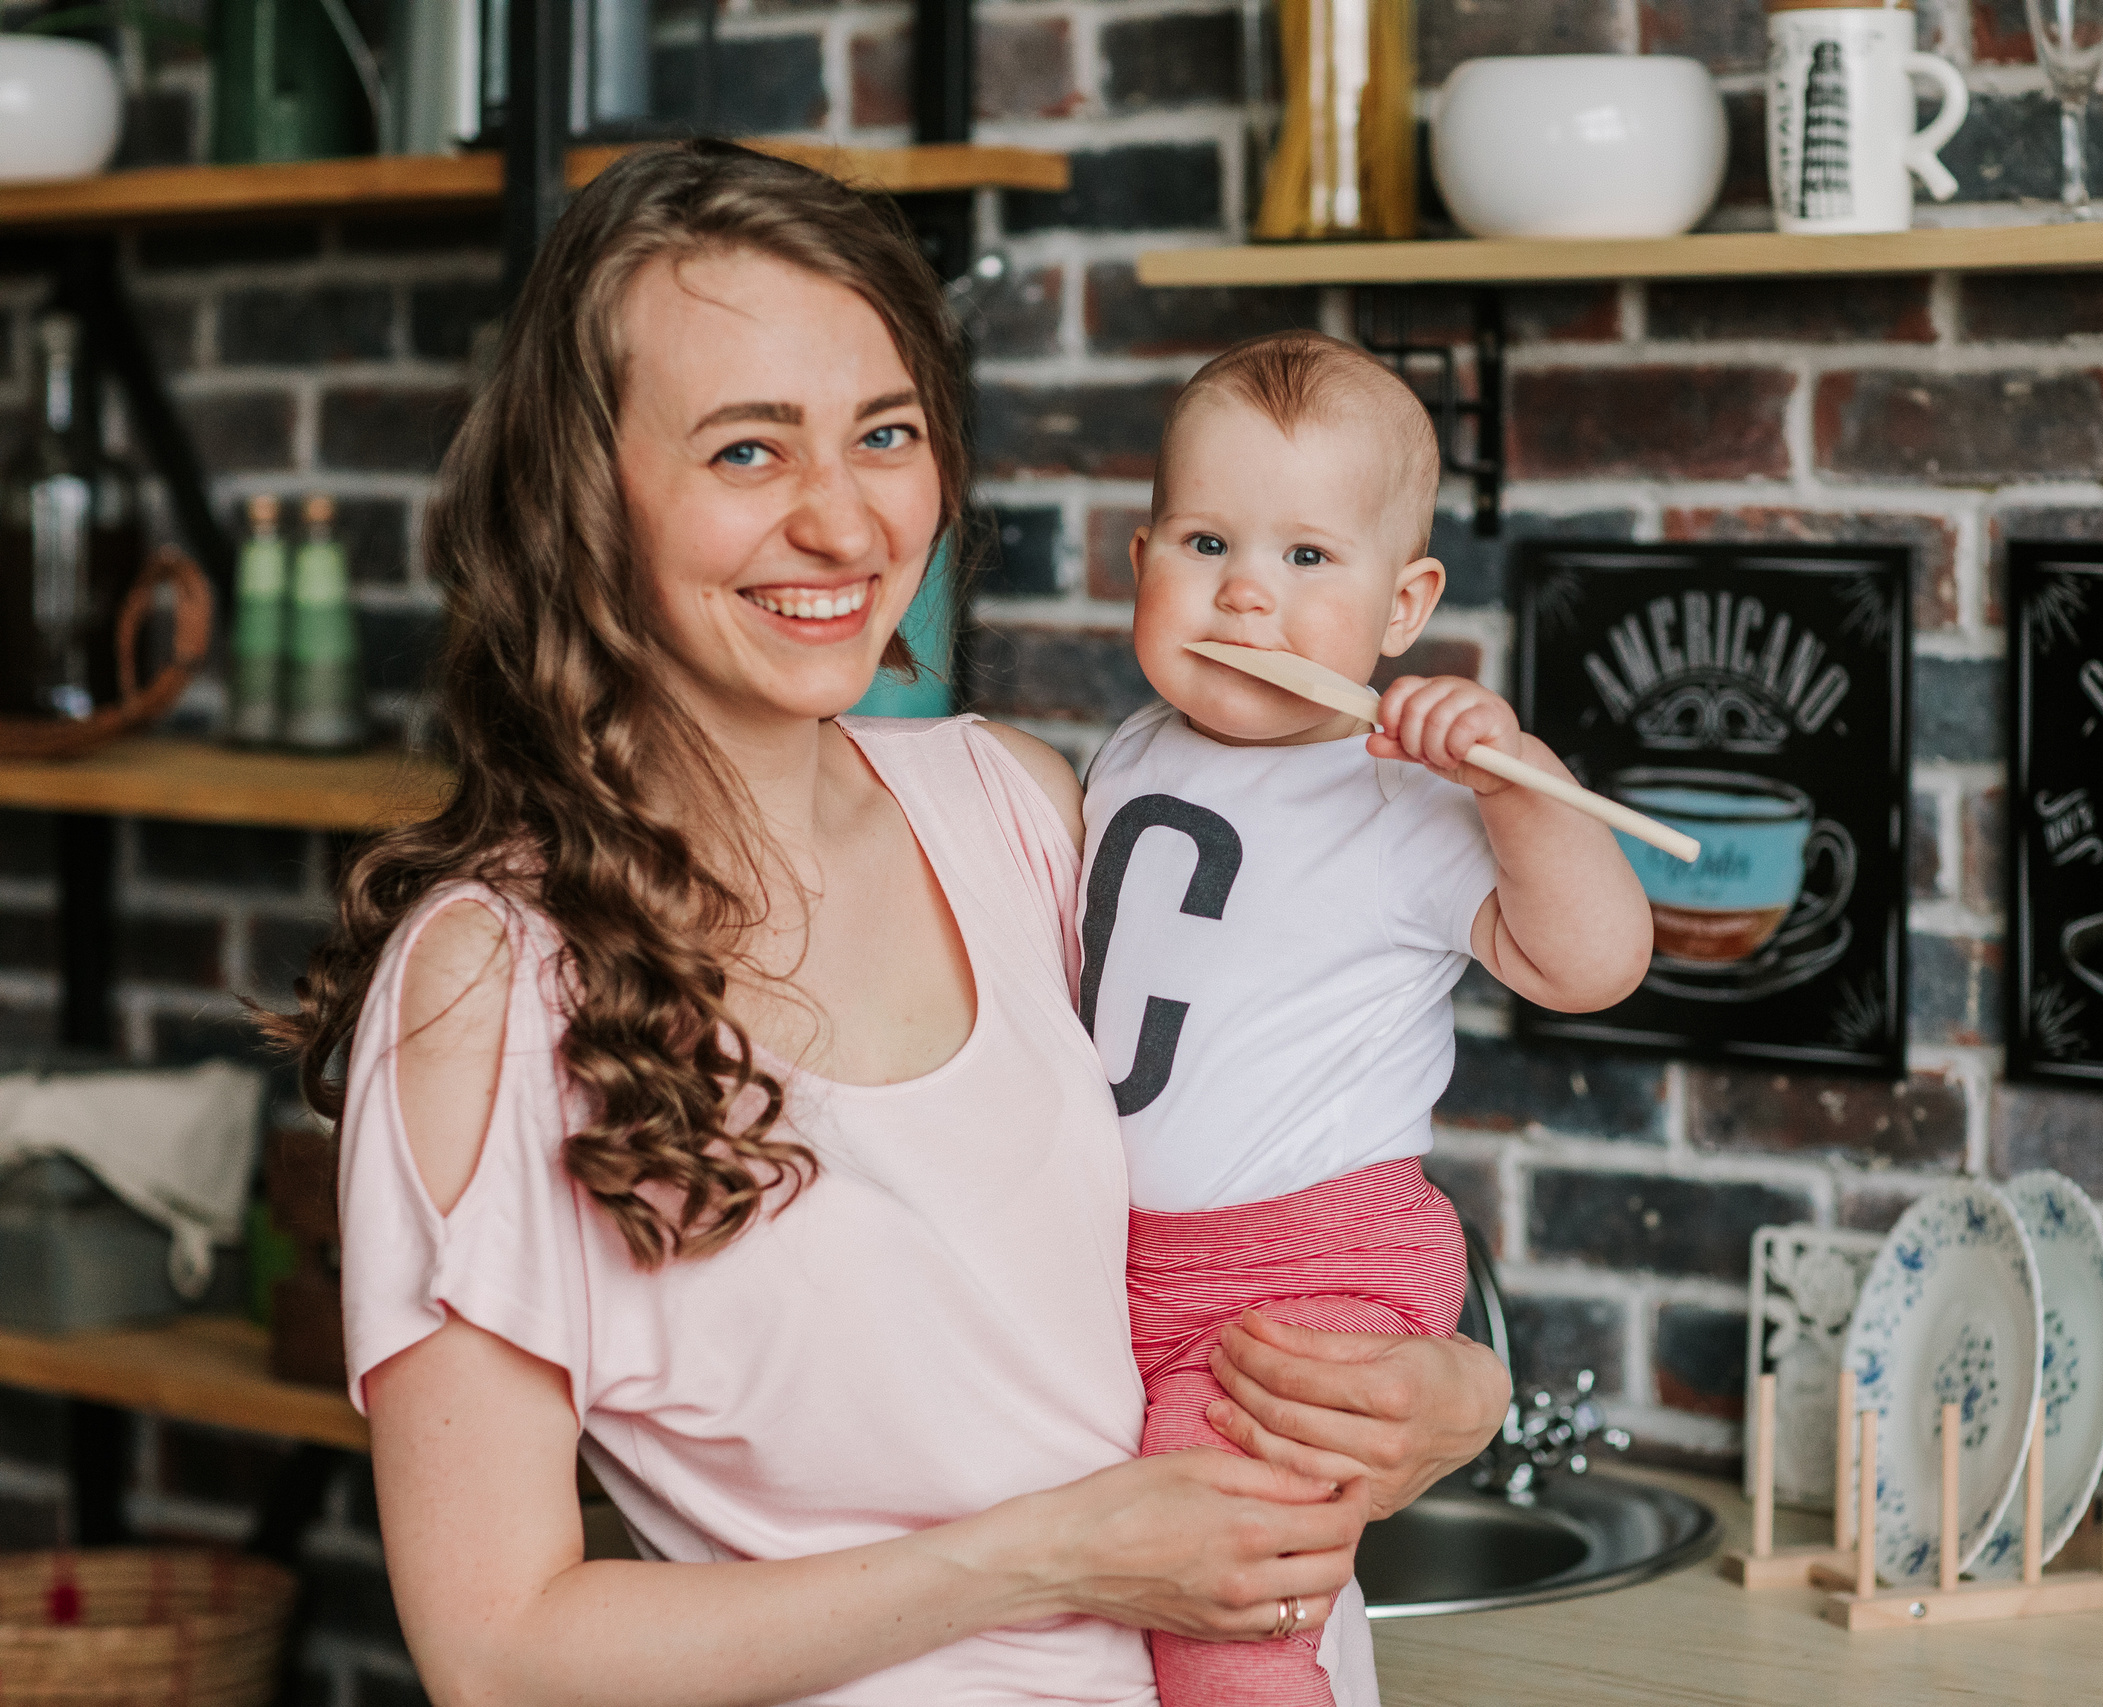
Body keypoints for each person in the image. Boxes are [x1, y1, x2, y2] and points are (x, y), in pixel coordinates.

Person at [263, 141, 1512, 1707]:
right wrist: (1054, 1556)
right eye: (745, 452)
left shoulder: (1018, 815)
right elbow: (498, 1650)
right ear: (584, 502)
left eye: (886, 434)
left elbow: (1272, 1199)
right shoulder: (492, 983)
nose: (844, 525)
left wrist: (1459, 1395)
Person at [1079, 332, 1655, 1705]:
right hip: (1126, 1264)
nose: (1244, 598)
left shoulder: (1405, 801)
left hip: (1310, 1274)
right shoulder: (1127, 754)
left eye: (1307, 560)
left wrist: (1519, 784)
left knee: (1228, 1589)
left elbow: (1596, 965)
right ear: (1141, 557)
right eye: (1207, 542)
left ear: (1405, 608)